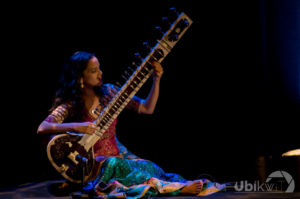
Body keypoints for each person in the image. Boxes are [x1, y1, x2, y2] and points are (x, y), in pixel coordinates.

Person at [37, 51, 225, 198]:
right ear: (80, 76)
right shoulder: (72, 105)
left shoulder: (110, 93)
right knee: (114, 164)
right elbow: (43, 128)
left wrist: (156, 80)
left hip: (120, 153)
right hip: (96, 165)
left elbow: (146, 108)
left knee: (152, 168)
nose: (100, 74)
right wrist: (76, 126)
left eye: (99, 68)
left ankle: (172, 184)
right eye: (94, 71)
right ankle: (176, 190)